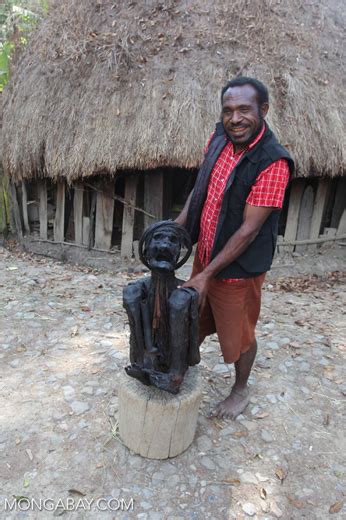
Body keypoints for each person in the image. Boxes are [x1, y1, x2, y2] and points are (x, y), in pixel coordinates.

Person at [175, 76, 294, 419]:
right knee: (192, 315)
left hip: (237, 270)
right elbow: (201, 192)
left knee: (238, 333)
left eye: (244, 109)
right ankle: (181, 366)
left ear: (263, 110)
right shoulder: (218, 139)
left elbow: (248, 230)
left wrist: (207, 275)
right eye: (228, 110)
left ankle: (240, 390)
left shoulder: (273, 162)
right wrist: (177, 227)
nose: (235, 118)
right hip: (207, 256)